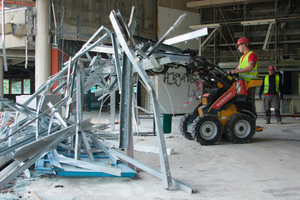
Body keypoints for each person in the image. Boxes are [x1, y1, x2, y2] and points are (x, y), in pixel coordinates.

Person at [227, 37, 258, 112]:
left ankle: (252, 117)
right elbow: (238, 68)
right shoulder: (242, 58)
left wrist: (237, 72)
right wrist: (232, 71)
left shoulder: (251, 55)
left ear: (244, 45)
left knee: (250, 101)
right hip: (243, 83)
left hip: (250, 83)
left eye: (239, 46)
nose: (238, 48)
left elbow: (250, 67)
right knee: (243, 101)